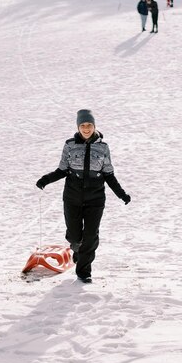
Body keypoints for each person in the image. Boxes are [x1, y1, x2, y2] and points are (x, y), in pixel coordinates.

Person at [36, 110, 130, 284]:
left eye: (89, 125)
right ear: (78, 127)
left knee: (91, 236)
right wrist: (46, 179)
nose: (86, 129)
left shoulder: (103, 147)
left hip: (95, 199)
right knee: (73, 235)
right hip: (72, 197)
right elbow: (62, 170)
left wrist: (121, 194)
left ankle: (84, 271)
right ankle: (76, 248)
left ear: (94, 126)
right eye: (83, 125)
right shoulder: (70, 145)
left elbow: (108, 174)